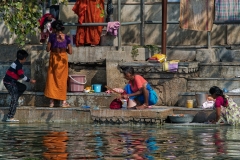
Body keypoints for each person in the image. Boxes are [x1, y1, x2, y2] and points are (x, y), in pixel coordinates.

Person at [44, 20, 73, 108]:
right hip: (63, 59)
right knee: (62, 80)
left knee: (52, 79)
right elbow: (70, 52)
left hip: (54, 59)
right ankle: (63, 102)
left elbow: (48, 49)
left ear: (54, 29)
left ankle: (51, 102)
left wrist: (51, 44)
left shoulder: (52, 36)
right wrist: (64, 48)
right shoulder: (67, 37)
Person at [3, 49, 36, 122]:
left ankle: (15, 96)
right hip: (9, 83)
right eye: (25, 58)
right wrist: (30, 80)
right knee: (14, 99)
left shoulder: (17, 62)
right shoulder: (18, 65)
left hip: (11, 81)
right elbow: (21, 76)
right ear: (23, 58)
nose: (25, 59)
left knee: (23, 87)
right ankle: (10, 117)